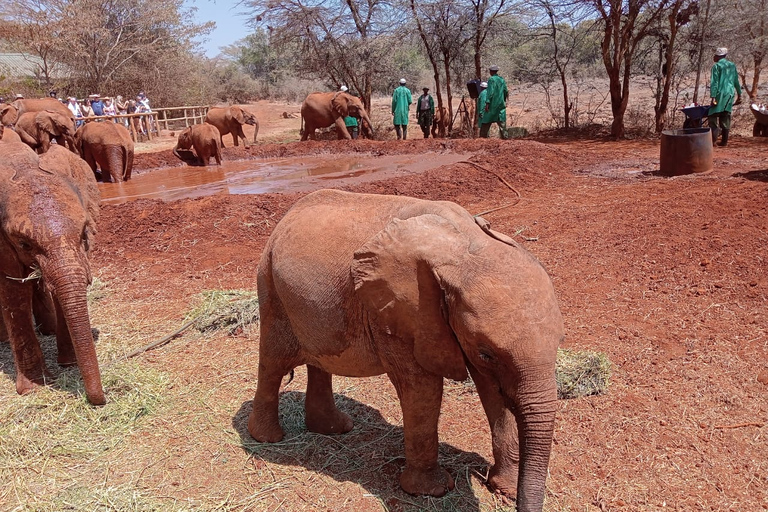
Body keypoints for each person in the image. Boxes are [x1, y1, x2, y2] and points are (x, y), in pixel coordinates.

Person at [708, 47, 742, 147]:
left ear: (718, 56)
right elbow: (736, 81)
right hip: (730, 94)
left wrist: (713, 97)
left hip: (720, 94)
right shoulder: (732, 65)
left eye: (715, 55)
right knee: (725, 115)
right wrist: (739, 94)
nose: (713, 57)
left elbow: (714, 83)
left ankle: (713, 141)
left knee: (712, 115)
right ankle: (724, 142)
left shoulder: (716, 66)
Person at [480, 65, 509, 139]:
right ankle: (505, 139)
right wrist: (505, 100)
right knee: (502, 123)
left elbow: (490, 92)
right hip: (501, 104)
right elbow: (505, 90)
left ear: (491, 72)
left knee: (486, 122)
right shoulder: (501, 79)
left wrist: (487, 103)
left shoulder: (491, 80)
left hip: (492, 105)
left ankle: (482, 139)